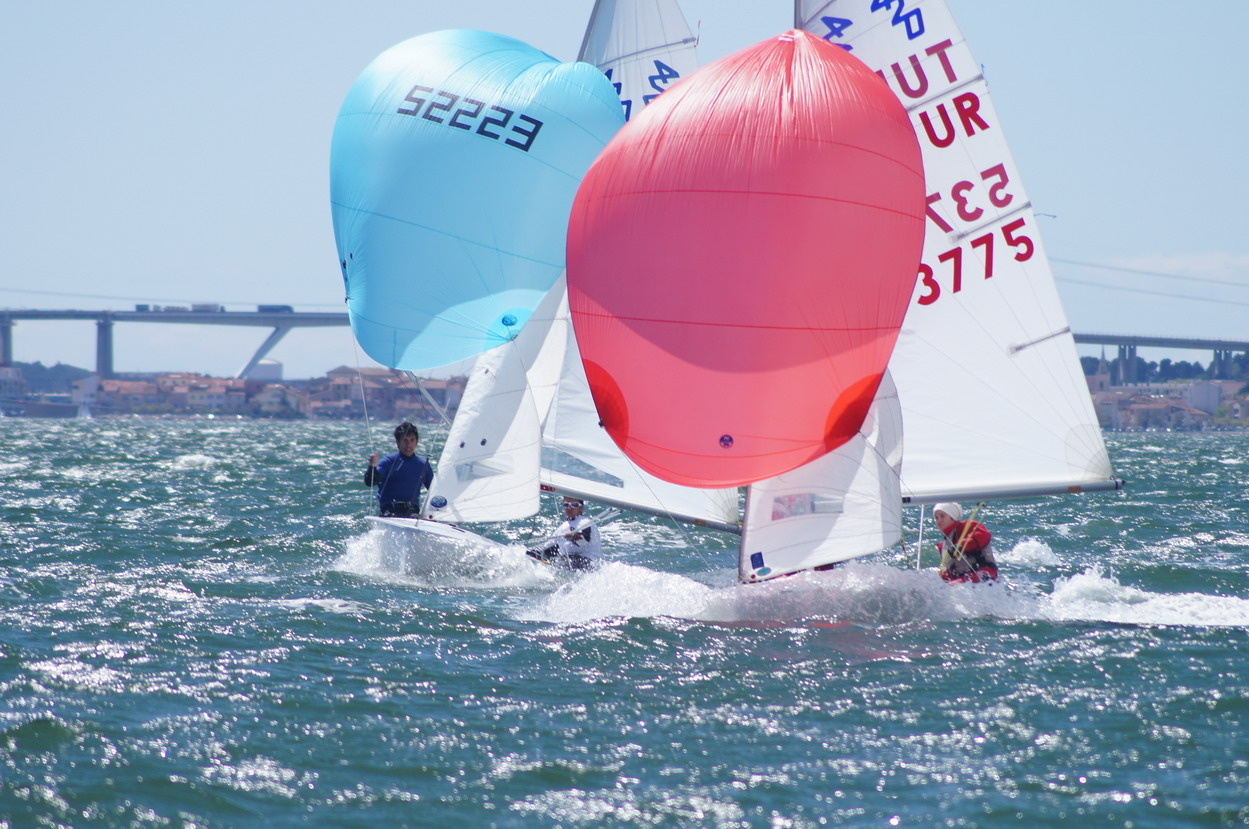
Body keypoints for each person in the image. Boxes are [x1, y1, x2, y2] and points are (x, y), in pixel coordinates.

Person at [364, 421, 434, 517]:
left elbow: (434, 489)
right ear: (398, 443)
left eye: (412, 440)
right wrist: (372, 467)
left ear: (417, 442)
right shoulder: (388, 462)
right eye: (405, 440)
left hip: (412, 512)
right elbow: (370, 482)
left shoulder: (423, 465)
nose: (408, 444)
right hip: (390, 511)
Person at [525, 497, 602, 571]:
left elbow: (584, 540)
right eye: (566, 505)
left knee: (562, 562)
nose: (569, 508)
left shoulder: (585, 522)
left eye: (574, 505)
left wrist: (572, 537)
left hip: (588, 563)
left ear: (581, 508)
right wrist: (534, 553)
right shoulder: (563, 527)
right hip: (569, 562)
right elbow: (551, 546)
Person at [933, 502, 998, 584]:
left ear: (953, 517)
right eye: (936, 518)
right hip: (964, 578)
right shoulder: (944, 546)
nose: (939, 520)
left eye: (942, 516)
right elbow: (949, 569)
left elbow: (984, 535)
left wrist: (961, 546)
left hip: (985, 572)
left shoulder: (969, 526)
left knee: (954, 584)